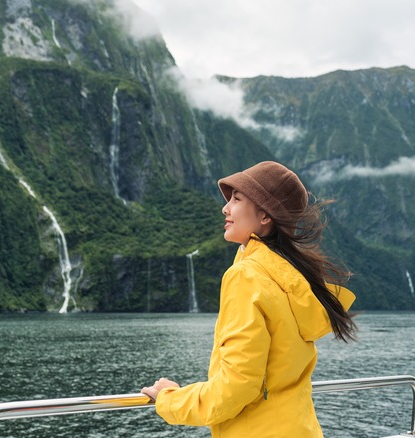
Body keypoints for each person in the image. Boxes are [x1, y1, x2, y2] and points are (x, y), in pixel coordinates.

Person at [141, 161, 357, 437]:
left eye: (237, 199)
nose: (225, 207)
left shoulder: (246, 277)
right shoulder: (293, 278)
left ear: (265, 216)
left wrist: (169, 398)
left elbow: (236, 387)